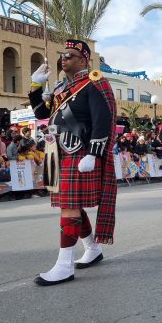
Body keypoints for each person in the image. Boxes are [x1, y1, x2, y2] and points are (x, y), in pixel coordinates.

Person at [28, 39, 117, 286]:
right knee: (71, 204)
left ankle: (64, 266)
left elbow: (103, 119)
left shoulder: (94, 82)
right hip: (59, 151)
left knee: (69, 205)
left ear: (83, 60)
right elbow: (41, 114)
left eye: (69, 55)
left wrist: (94, 153)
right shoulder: (60, 88)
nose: (63, 58)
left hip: (81, 151)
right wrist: (36, 85)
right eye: (62, 55)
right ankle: (92, 247)